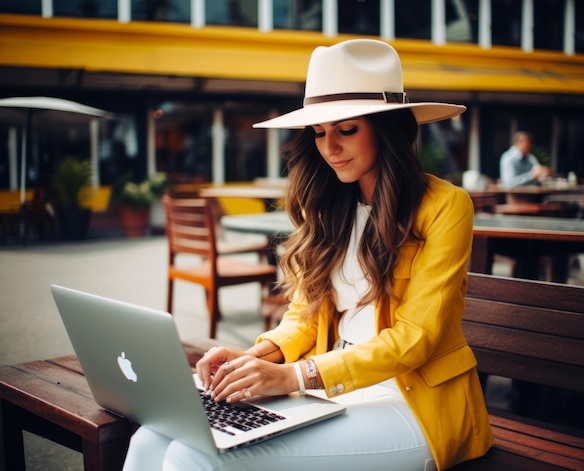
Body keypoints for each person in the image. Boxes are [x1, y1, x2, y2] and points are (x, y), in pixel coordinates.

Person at [123, 39, 492, 471]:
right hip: (332, 386)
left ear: (387, 128)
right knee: (152, 436)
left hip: (413, 403)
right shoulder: (329, 207)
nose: (329, 147)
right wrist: (252, 359)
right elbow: (303, 317)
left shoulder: (445, 207)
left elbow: (416, 340)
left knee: (195, 454)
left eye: (346, 129)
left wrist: (296, 376)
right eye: (319, 133)